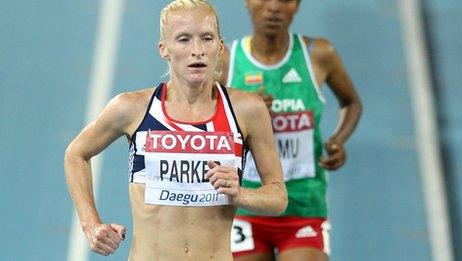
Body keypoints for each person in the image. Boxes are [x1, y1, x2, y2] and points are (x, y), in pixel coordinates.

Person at [64, 1, 287, 260]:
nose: (197, 51)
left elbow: (278, 196)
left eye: (206, 38)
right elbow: (76, 154)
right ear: (164, 49)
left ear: (220, 46)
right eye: (184, 40)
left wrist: (241, 194)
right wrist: (90, 224)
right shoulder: (133, 108)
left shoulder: (246, 110)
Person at [220, 0, 362, 260]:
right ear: (247, 2)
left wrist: (338, 140)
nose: (273, 7)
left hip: (303, 206)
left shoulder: (318, 54)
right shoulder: (228, 61)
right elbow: (202, 125)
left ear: (297, 5)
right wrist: (245, 110)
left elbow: (351, 102)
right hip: (247, 206)